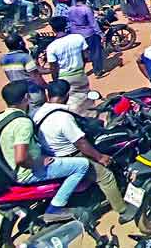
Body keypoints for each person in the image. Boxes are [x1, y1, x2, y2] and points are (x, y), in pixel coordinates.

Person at [0, 81, 90, 222]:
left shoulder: (0, 118)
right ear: (26, 97)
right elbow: (21, 158)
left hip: (8, 170)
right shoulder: (22, 122)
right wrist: (38, 163)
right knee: (82, 165)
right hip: (26, 172)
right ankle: (55, 208)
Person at [33, 80, 127, 219]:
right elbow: (81, 143)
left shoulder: (39, 113)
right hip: (70, 156)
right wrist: (100, 157)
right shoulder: (63, 118)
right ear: (66, 95)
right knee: (106, 177)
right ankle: (123, 210)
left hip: (50, 154)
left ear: (48, 94)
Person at [45, 17, 91, 115]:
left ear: (53, 29)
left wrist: (56, 81)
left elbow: (54, 68)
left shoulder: (51, 47)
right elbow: (87, 56)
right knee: (85, 97)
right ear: (66, 26)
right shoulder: (78, 38)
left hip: (63, 78)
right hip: (80, 74)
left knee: (69, 103)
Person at [66, 0, 106, 78]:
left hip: (75, 35)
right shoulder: (86, 9)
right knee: (95, 52)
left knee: (79, 55)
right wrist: (101, 34)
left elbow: (69, 23)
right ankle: (98, 71)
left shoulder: (70, 9)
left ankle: (79, 73)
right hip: (89, 34)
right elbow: (93, 23)